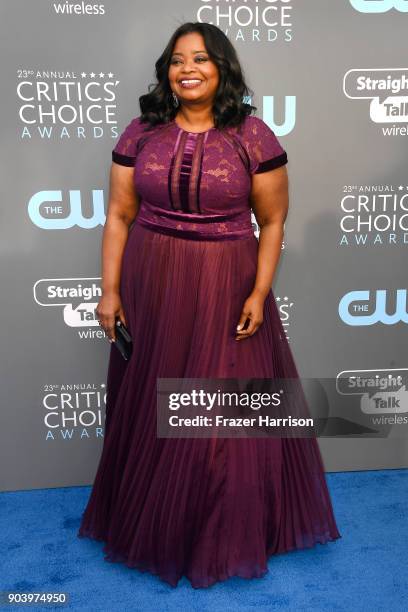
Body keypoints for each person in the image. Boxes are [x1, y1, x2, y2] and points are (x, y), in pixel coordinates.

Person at [77, 21, 341, 589]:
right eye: (176, 60)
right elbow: (119, 216)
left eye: (199, 58)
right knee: (155, 400)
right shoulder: (141, 132)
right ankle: (156, 524)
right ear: (166, 72)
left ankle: (221, 534)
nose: (187, 69)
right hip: (152, 277)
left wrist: (258, 291)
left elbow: (272, 222)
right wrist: (110, 290)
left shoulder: (253, 135)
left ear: (222, 67)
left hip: (227, 278)